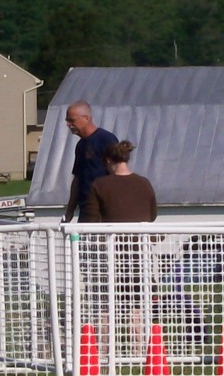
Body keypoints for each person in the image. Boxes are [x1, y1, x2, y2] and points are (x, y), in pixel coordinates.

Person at [84, 140, 157, 355]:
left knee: (105, 309)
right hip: (139, 257)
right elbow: (152, 216)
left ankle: (103, 354)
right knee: (137, 308)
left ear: (108, 161)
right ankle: (140, 354)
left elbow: (89, 221)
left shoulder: (99, 185)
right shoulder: (145, 184)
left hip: (111, 257)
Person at [64, 100, 118, 223]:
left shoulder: (106, 140)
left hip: (103, 208)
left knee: (101, 242)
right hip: (86, 208)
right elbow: (77, 179)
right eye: (67, 121)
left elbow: (116, 173)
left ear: (86, 118)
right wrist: (70, 211)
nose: (68, 124)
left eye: (72, 120)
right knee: (84, 242)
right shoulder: (80, 145)